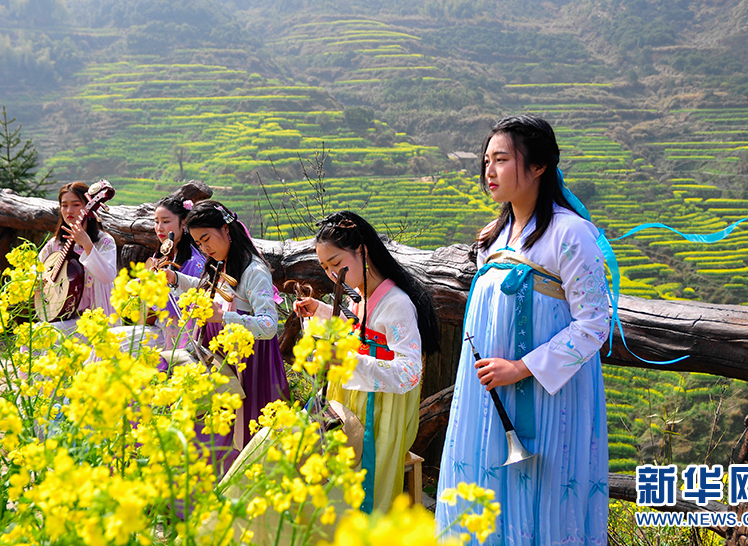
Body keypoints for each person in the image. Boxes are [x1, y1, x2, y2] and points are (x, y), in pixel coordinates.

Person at [435, 115, 610, 545]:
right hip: (486, 395)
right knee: (485, 492)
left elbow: (594, 322)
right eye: (486, 160)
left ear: (538, 167)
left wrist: (523, 367)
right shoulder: (493, 238)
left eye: (501, 159)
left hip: (549, 398)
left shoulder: (571, 235)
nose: (489, 171)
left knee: (545, 500)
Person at [294, 211, 439, 514]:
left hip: (382, 410)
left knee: (365, 490)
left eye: (336, 264)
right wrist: (319, 310)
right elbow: (357, 328)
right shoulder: (359, 295)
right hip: (351, 398)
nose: (333, 274)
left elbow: (410, 373)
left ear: (362, 251)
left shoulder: (397, 304)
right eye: (325, 267)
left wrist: (348, 360)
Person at [165, 200, 290, 454]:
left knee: (245, 436)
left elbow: (268, 325)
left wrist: (224, 318)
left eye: (207, 238)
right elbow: (211, 291)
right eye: (198, 243)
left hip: (250, 367)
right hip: (224, 362)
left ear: (226, 229)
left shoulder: (254, 271)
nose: (204, 247)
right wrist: (176, 278)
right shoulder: (223, 263)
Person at [111, 195, 205, 365]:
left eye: (166, 221)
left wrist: (151, 290)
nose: (159, 228)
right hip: (160, 330)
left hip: (180, 338)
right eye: (156, 222)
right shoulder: (160, 257)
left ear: (183, 223)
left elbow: (187, 310)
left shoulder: (194, 263)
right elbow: (149, 315)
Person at [37, 181, 118, 334]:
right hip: (62, 316)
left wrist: (88, 246)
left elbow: (107, 276)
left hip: (95, 319)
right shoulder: (54, 245)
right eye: (64, 205)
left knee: (46, 333)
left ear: (87, 208)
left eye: (76, 205)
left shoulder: (104, 241)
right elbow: (37, 273)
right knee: (37, 332)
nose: (69, 211)